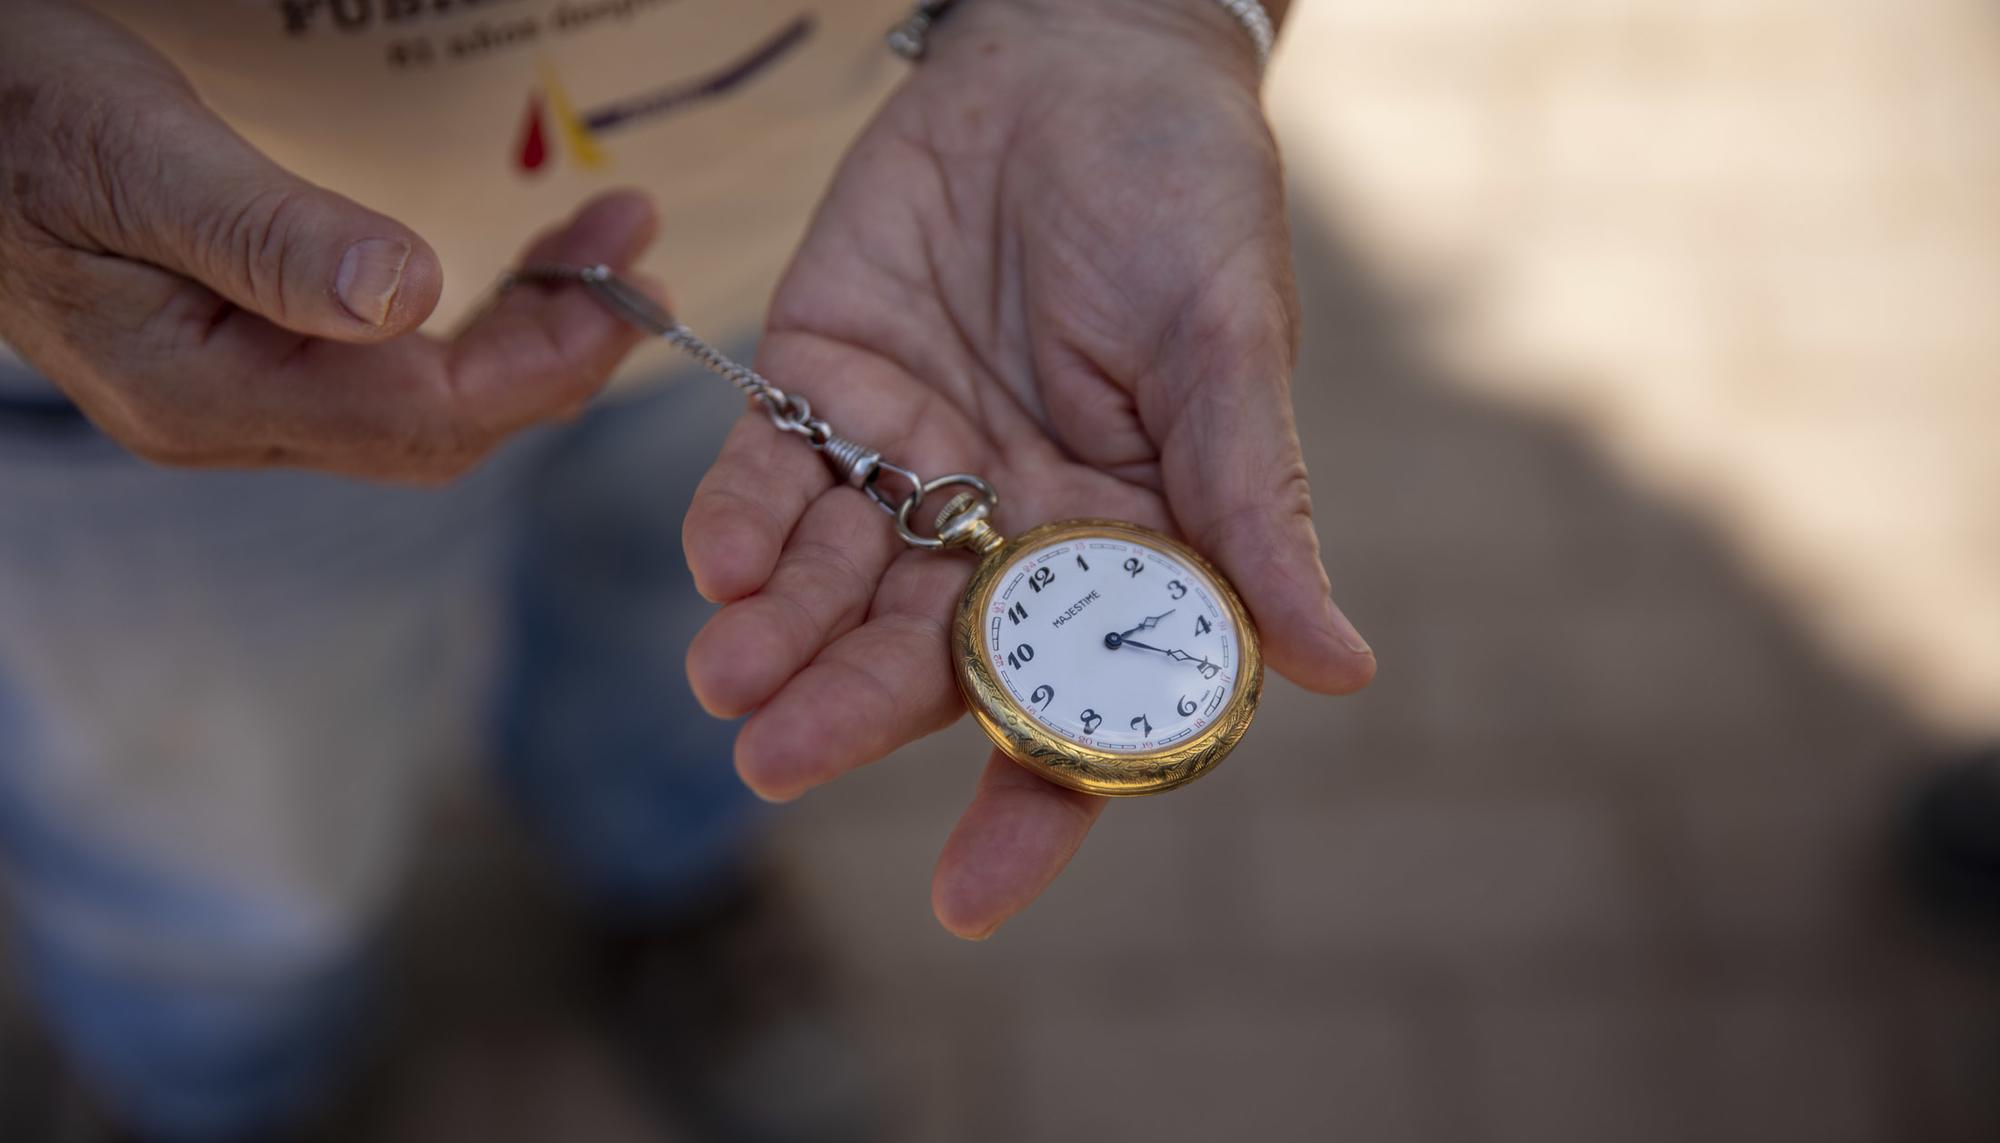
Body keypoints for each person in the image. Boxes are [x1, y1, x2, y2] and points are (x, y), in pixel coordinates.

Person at [0, 0, 1375, 1138]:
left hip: (874, 254)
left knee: (697, 674)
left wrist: (1152, 20)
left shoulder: (907, 359)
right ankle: (201, 1085)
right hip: (150, 301)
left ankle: (665, 893)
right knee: (221, 840)